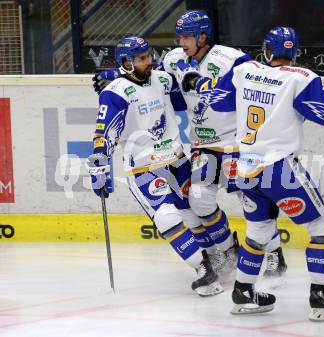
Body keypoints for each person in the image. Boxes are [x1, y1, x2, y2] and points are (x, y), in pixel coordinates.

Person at [178, 26, 324, 320]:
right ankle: (321, 299)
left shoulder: (245, 71)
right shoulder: (301, 78)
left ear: (267, 52)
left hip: (244, 168)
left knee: (258, 231)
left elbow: (216, 97)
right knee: (322, 226)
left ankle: (244, 293)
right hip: (279, 168)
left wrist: (196, 80)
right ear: (294, 52)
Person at [92, 10, 288, 278]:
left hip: (235, 143)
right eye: (179, 36)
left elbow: (261, 85)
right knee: (200, 200)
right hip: (204, 145)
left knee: (251, 200)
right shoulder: (173, 60)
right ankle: (230, 253)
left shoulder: (231, 58)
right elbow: (149, 80)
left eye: (187, 37)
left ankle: (275, 254)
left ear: (203, 36)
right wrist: (117, 71)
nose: (180, 42)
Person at [87, 36, 223, 297]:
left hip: (177, 159)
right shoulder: (115, 92)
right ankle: (203, 269)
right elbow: (104, 131)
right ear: (127, 63)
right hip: (143, 168)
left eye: (149, 56)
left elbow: (186, 94)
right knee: (166, 217)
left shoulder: (162, 79)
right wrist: (100, 165)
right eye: (141, 58)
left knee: (195, 211)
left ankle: (218, 257)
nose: (148, 61)